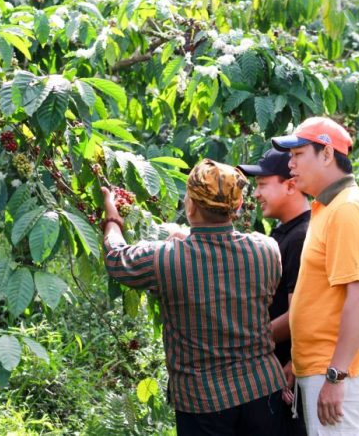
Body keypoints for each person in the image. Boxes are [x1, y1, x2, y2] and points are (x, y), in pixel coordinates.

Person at [101, 158, 287, 436]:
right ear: (236, 207)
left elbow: (116, 257)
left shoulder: (165, 258)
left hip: (203, 400)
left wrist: (112, 216)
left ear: (190, 205)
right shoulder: (267, 250)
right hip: (262, 390)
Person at [271, 117, 359, 436]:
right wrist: (299, 361)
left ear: (326, 154)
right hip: (321, 369)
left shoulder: (348, 210)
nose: (290, 164)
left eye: (298, 154)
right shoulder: (327, 208)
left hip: (337, 374)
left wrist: (336, 375)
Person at [237, 149, 311, 436]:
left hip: (289, 380)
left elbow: (299, 315)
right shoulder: (282, 234)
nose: (256, 194)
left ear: (290, 185)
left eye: (262, 185)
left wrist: (244, 345)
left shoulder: (302, 236)